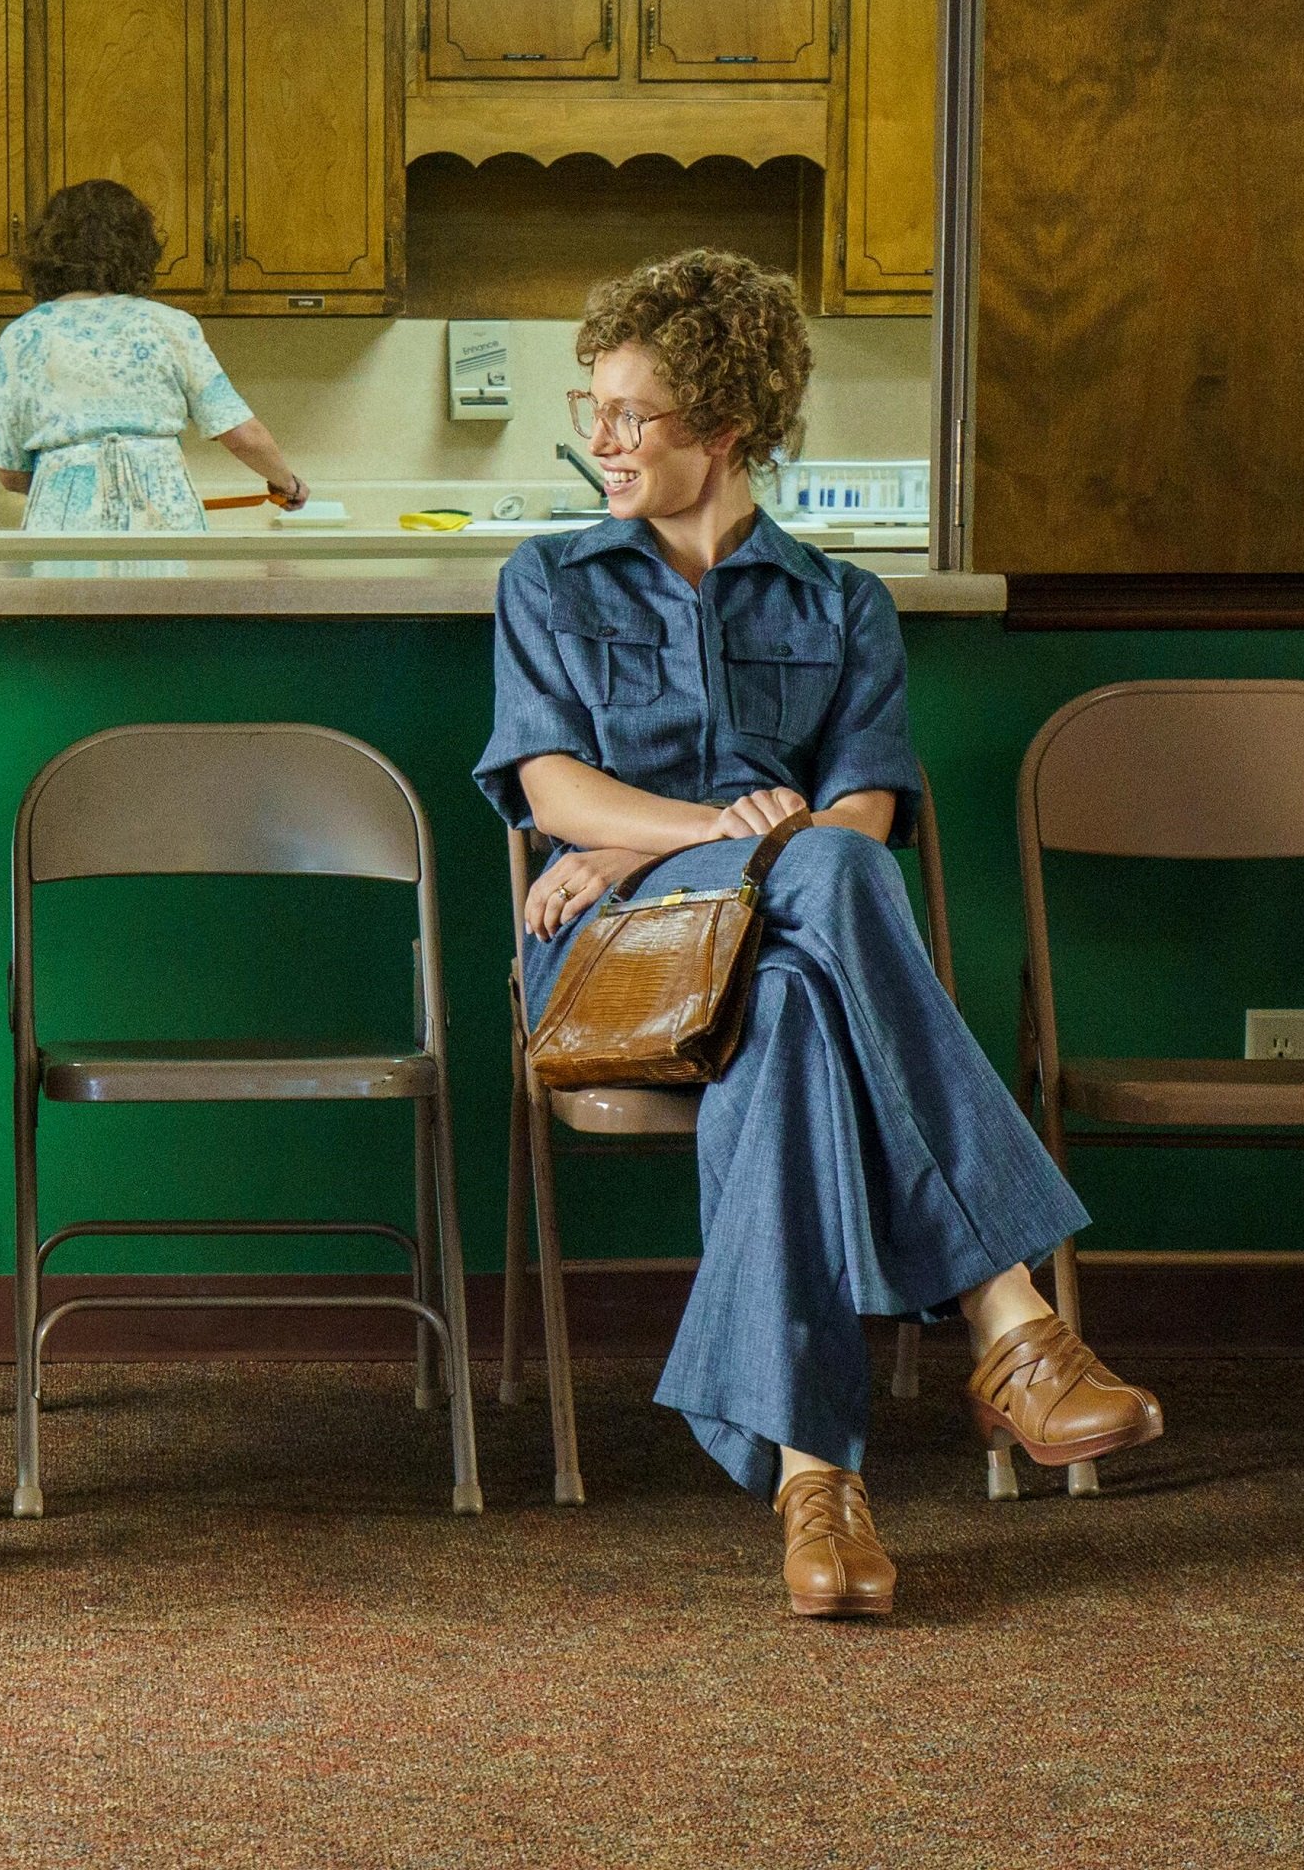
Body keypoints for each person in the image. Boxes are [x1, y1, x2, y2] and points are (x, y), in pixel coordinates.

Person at [474, 248, 1161, 1621]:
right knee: (830, 885)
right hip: (622, 959)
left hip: (787, 946)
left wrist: (671, 831)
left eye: (633, 415)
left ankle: (816, 1487)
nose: (598, 439)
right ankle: (1009, 1317)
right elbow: (552, 793)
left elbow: (859, 820)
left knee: (796, 998)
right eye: (591, 406)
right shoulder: (550, 582)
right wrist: (697, 833)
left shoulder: (844, 605)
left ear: (726, 431)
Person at [0, 180, 309, 530]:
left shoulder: (22, 337)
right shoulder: (169, 326)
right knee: (160, 587)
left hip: (63, 524)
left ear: (45, 252)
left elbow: (10, 474)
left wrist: (71, 475)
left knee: (68, 588)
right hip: (162, 519)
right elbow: (241, 435)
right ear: (139, 248)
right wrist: (287, 484)